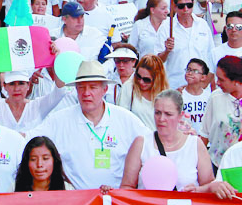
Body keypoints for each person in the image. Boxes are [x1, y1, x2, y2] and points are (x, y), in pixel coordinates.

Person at [47, 59, 150, 189]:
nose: (86, 93)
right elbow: (30, 140)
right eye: (81, 87)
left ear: (105, 89)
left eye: (93, 87)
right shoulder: (59, 120)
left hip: (115, 198)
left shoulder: (126, 119)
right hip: (76, 199)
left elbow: (152, 146)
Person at [121, 89, 214, 196]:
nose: (161, 119)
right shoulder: (141, 144)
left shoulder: (195, 144)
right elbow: (126, 186)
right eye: (157, 113)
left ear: (180, 115)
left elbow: (209, 186)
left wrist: (197, 190)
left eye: (168, 114)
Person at [117, 53, 169, 129]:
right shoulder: (129, 87)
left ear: (156, 80)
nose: (141, 82)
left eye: (146, 80)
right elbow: (120, 118)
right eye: (138, 76)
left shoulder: (166, 94)